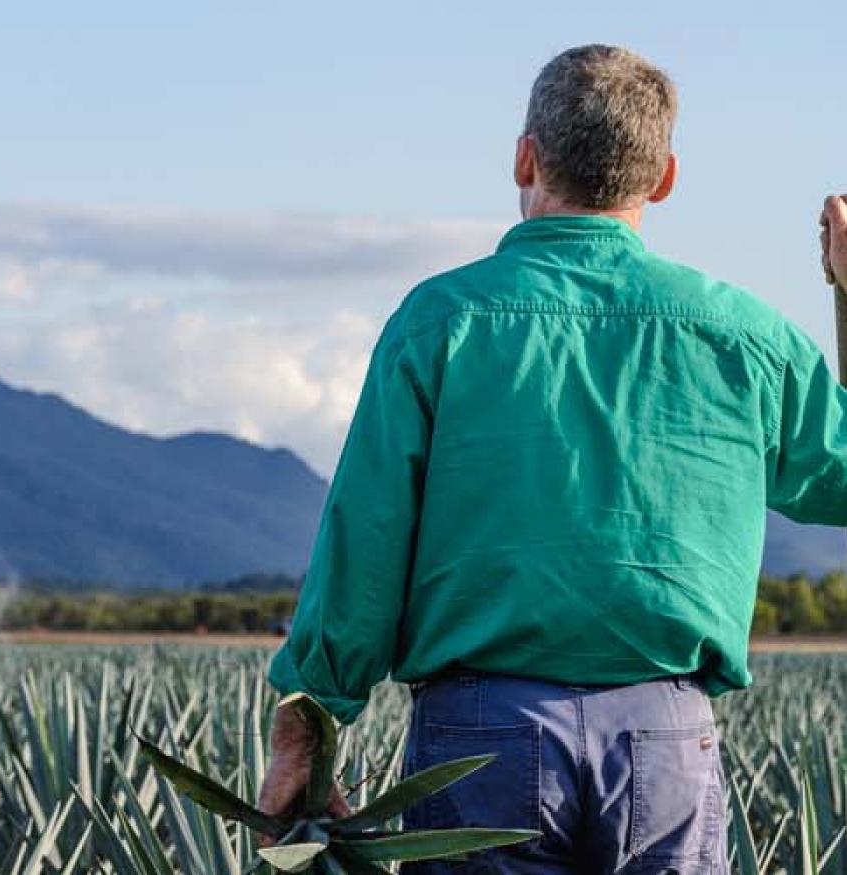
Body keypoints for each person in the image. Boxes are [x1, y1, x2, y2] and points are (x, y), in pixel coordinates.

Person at [258, 44, 847, 874]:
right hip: (664, 732)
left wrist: (306, 723)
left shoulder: (441, 321)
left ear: (525, 157)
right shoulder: (747, 336)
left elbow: (368, 532)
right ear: (666, 177)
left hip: (480, 733)